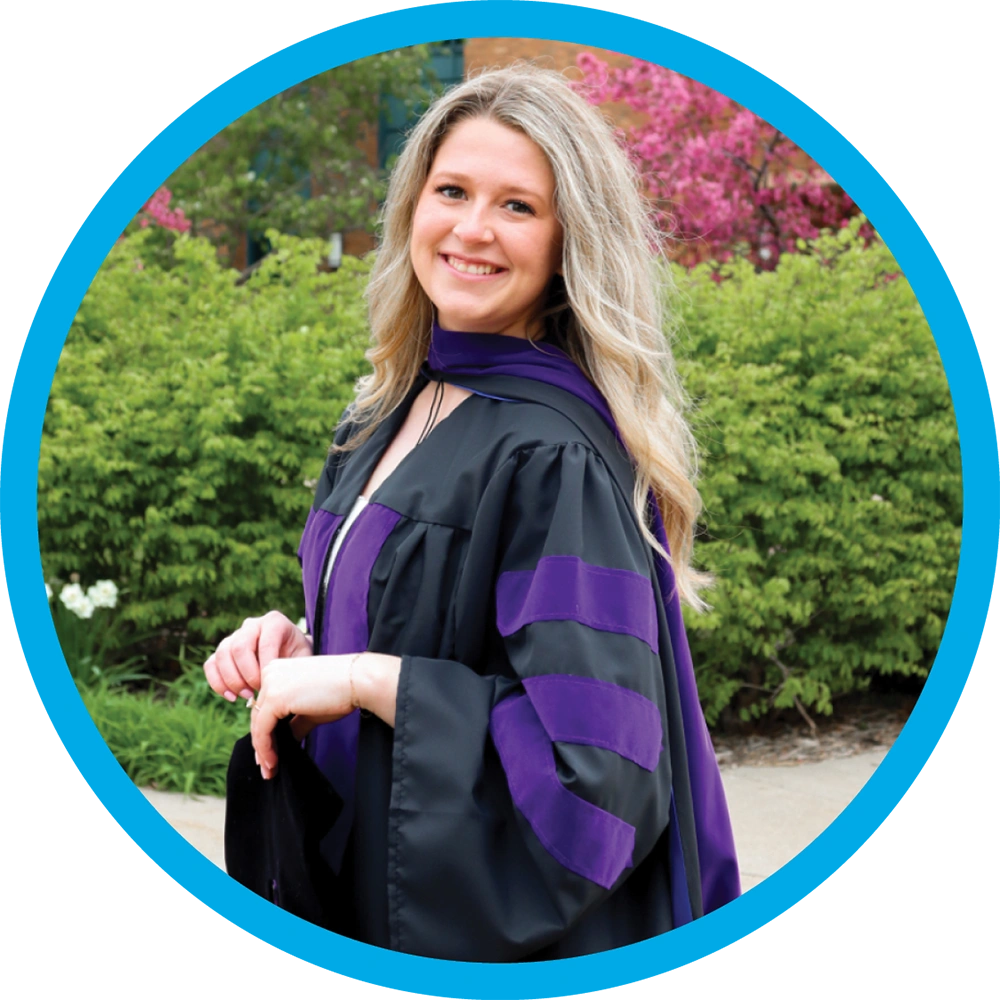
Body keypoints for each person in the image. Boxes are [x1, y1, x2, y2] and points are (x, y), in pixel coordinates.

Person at [204, 63, 741, 961]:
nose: (472, 229)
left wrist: (369, 681)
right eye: (451, 190)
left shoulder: (550, 454)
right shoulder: (389, 407)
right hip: (357, 880)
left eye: (518, 206)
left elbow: (597, 783)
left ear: (571, 239)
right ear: (412, 204)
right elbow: (431, 614)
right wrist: (302, 645)